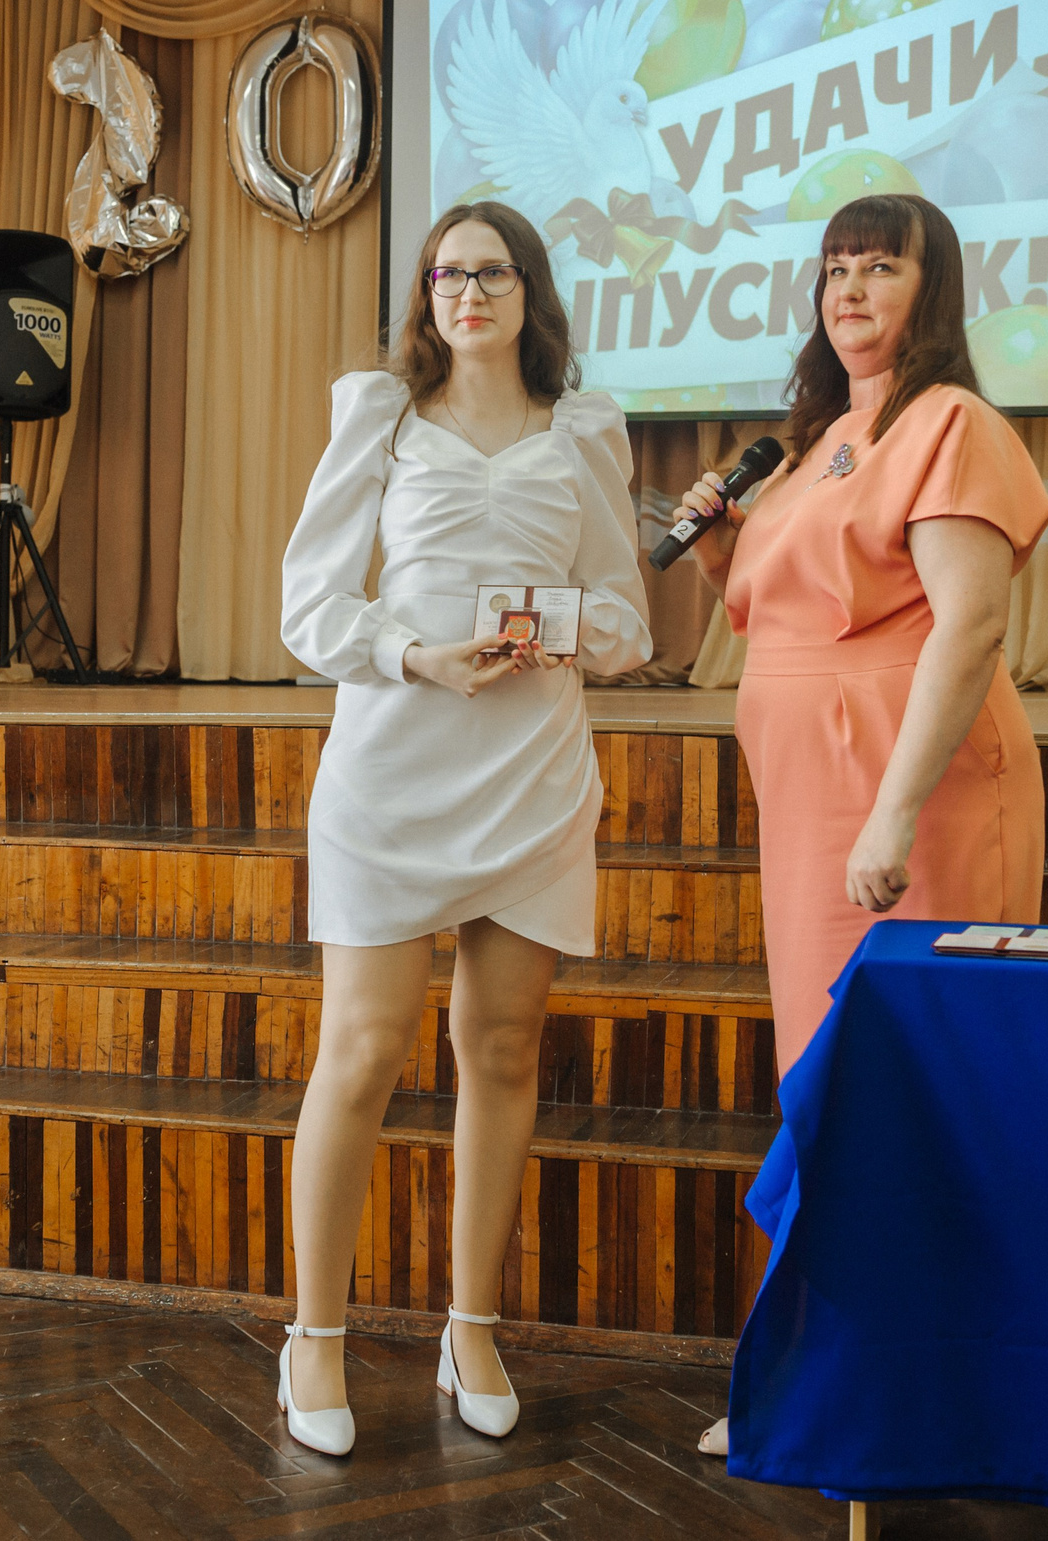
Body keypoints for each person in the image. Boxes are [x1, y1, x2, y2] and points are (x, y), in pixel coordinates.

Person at [674, 192, 1048, 1456]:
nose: (849, 290)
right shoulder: (810, 440)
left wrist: (891, 810)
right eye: (834, 268)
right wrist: (716, 538)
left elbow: (971, 624)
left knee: (910, 1081)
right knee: (822, 1080)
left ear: (928, 290)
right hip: (807, 799)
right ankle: (825, 1379)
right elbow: (771, 612)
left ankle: (926, 1393)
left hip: (915, 793)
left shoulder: (951, 424)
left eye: (878, 268)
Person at [275, 200, 653, 1456]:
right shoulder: (376, 413)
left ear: (528, 289)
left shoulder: (583, 426)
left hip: (534, 763)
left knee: (499, 1048)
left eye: (489, 271)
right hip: (394, 760)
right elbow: (310, 606)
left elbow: (627, 617)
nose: (464, 291)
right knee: (363, 1048)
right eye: (444, 273)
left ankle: (469, 1324)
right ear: (425, 295)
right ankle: (312, 1340)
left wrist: (561, 628)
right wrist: (413, 652)